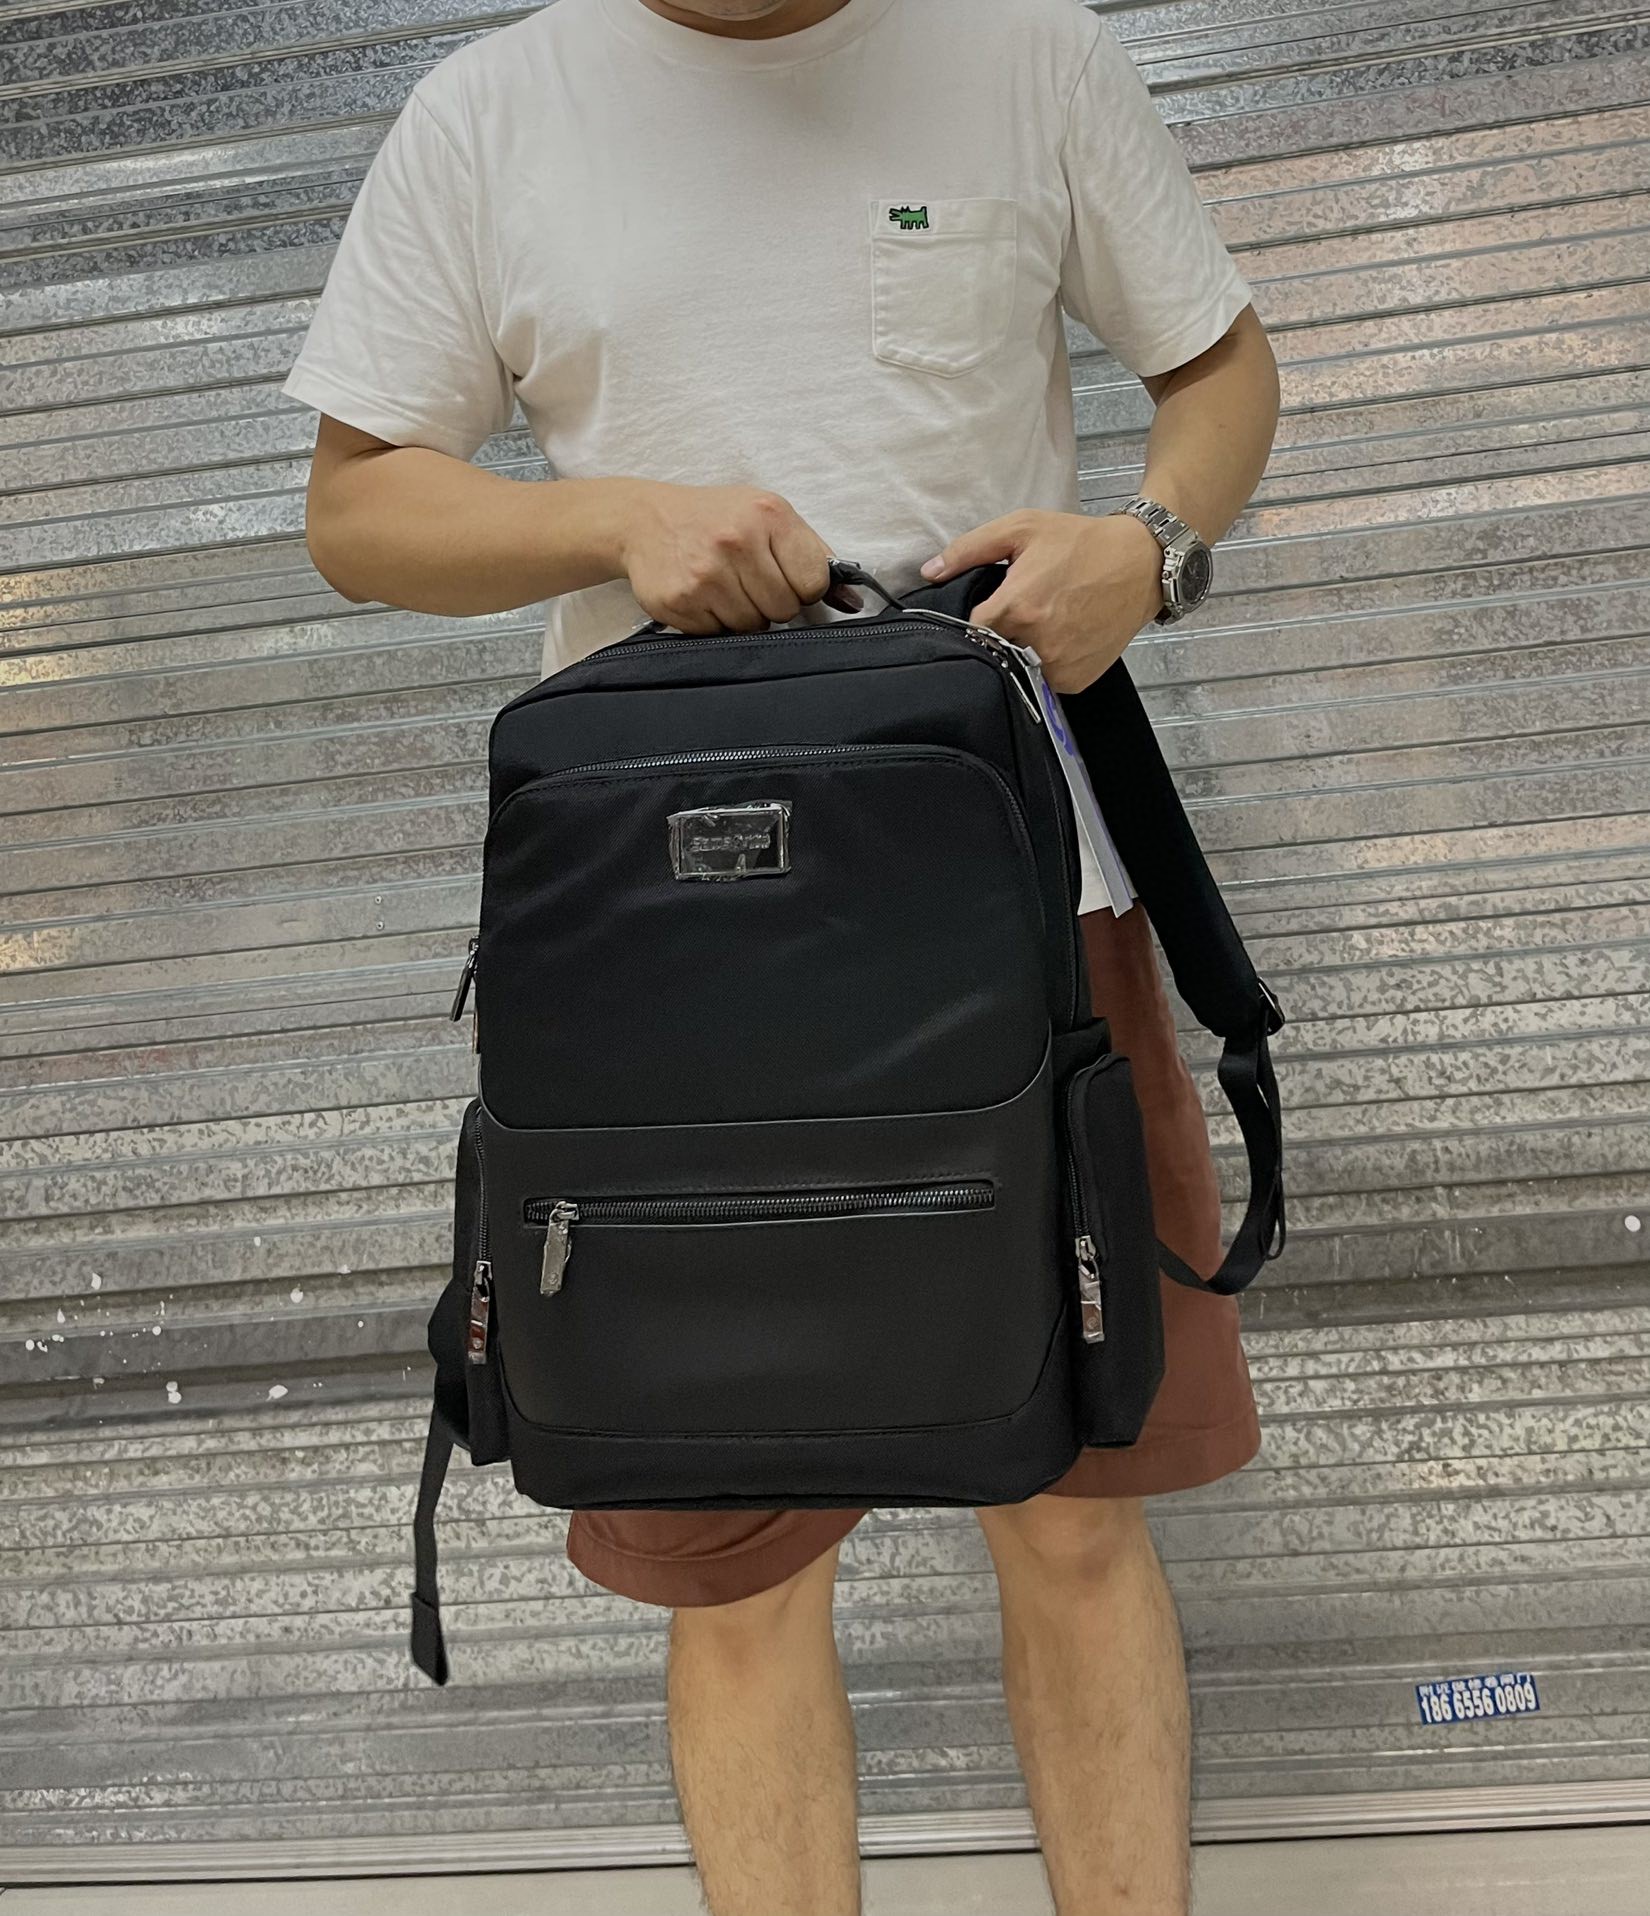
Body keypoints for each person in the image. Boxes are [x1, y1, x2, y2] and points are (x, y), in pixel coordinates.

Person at [281, 0, 1281, 1908]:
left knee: (1077, 1528)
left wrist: (1149, 548)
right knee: (735, 1584)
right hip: (668, 973)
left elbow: (1217, 364)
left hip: (1028, 920)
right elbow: (357, 508)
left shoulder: (1026, 54)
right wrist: (614, 522)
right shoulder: (490, 111)